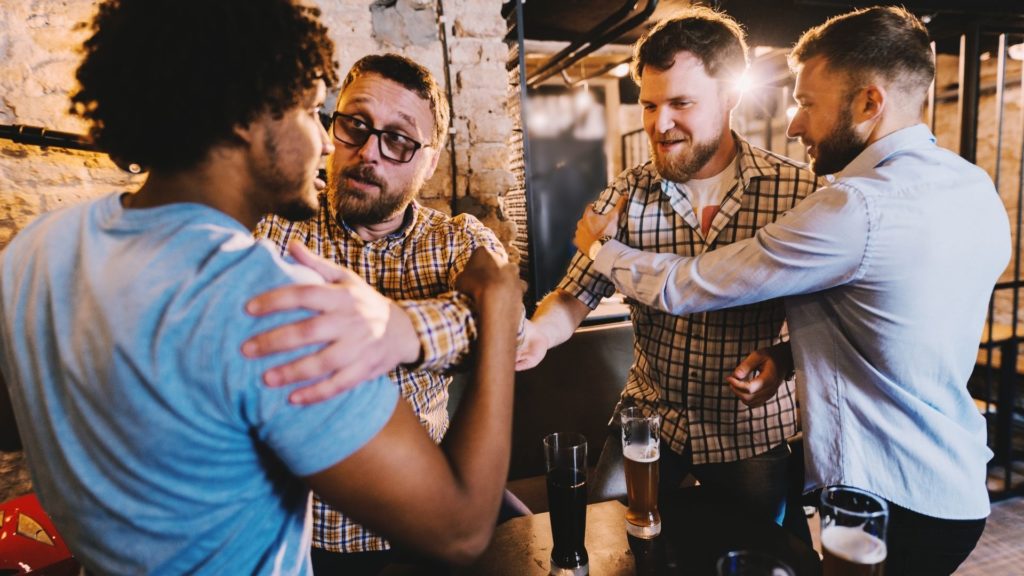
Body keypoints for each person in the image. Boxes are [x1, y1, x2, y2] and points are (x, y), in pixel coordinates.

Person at [0, 1, 520, 573]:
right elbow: (462, 528)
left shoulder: (32, 250)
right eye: (310, 110)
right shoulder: (270, 303)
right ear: (249, 115)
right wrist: (496, 300)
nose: (327, 144)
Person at [578, 6, 1008, 574]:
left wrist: (600, 250)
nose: (792, 123)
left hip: (883, 495)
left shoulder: (854, 207)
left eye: (807, 102)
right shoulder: (972, 187)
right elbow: (893, 326)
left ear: (868, 104)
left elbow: (695, 282)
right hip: (954, 488)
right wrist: (786, 356)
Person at [518, 6, 820, 526]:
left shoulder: (799, 191)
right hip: (649, 422)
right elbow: (574, 295)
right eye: (649, 104)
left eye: (681, 103)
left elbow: (831, 316)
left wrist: (786, 357)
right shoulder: (624, 194)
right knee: (609, 537)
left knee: (765, 554)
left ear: (730, 97)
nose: (660, 124)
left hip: (753, 430)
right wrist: (538, 335)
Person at [249, 53, 525, 572]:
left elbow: (516, 329)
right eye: (355, 125)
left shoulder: (459, 242)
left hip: (429, 510)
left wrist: (400, 329)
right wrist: (462, 320)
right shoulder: (277, 227)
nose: (368, 152)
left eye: (398, 140)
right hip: (305, 530)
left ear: (431, 156)